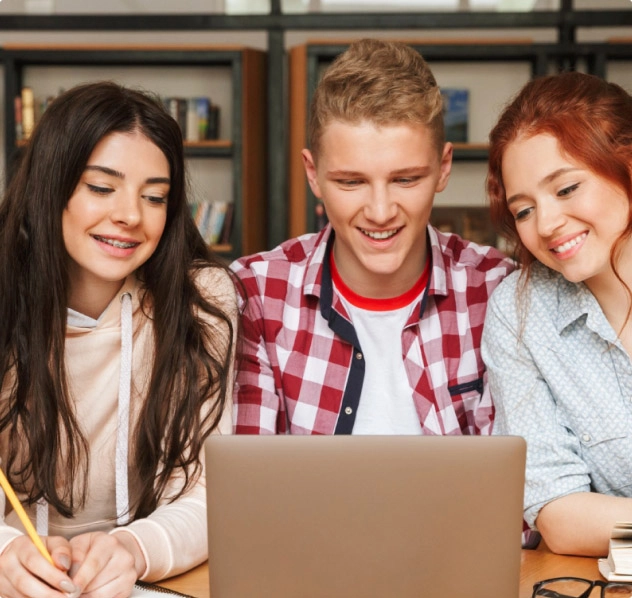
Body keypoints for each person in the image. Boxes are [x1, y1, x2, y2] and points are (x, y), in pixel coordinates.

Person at [0, 81, 237, 597]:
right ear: (51, 186)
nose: (131, 215)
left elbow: (206, 495)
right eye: (102, 188)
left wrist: (132, 549)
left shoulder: (203, 301)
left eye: (155, 196)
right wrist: (3, 553)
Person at [231, 38, 514, 435]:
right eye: (351, 182)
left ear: (443, 167)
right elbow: (249, 483)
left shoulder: (501, 291)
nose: (380, 212)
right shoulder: (255, 294)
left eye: (406, 179)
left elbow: (510, 486)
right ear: (313, 174)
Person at [482, 71, 632, 557]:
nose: (546, 224)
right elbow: (560, 516)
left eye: (566, 189)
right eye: (523, 210)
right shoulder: (521, 312)